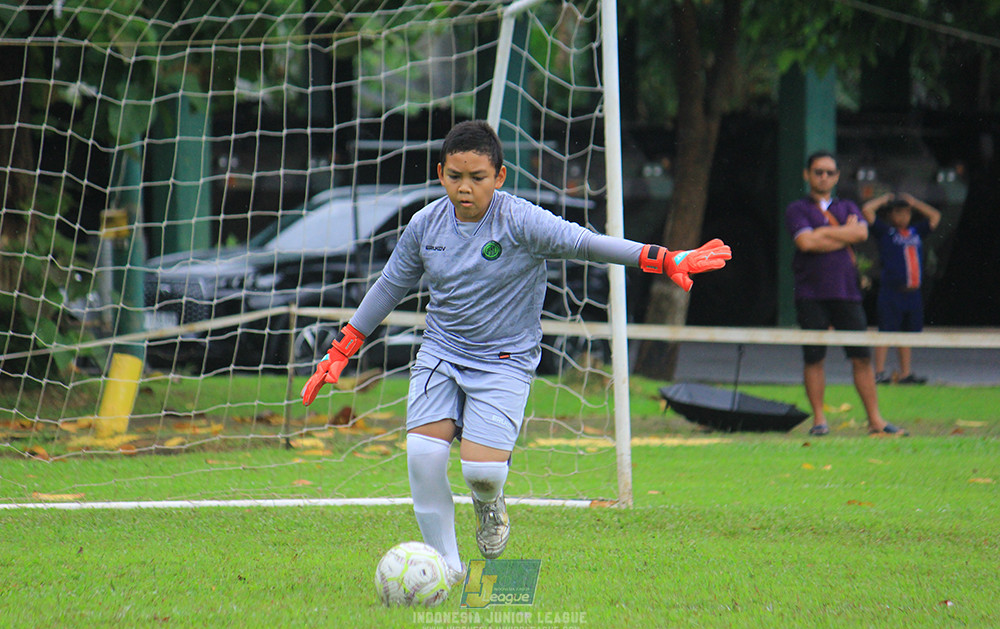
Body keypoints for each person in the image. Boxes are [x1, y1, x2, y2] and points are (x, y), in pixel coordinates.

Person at [300, 120, 731, 583]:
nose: (465, 188)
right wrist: (342, 349)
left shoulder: (521, 220)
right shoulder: (425, 225)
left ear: (500, 177)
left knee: (481, 475)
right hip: (441, 354)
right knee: (423, 457)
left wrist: (662, 257)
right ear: (441, 172)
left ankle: (490, 505)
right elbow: (389, 286)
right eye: (455, 176)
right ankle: (450, 568)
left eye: (478, 178)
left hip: (504, 360)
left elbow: (585, 243)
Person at [784, 151, 904, 437]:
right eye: (817, 172)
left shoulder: (848, 206)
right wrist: (841, 234)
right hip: (810, 293)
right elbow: (805, 243)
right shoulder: (797, 209)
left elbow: (861, 234)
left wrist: (822, 234)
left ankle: (876, 421)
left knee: (861, 357)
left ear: (837, 176)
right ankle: (819, 420)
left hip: (847, 293)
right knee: (814, 357)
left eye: (829, 172)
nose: (823, 177)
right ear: (807, 174)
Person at [861, 192, 941, 384]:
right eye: (898, 213)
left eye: (906, 213)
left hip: (912, 292)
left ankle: (906, 373)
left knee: (907, 334)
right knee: (886, 331)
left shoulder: (915, 232)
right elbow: (867, 210)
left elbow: (935, 217)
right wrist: (885, 199)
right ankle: (879, 372)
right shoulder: (886, 233)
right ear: (890, 215)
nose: (903, 217)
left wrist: (915, 202)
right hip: (892, 292)